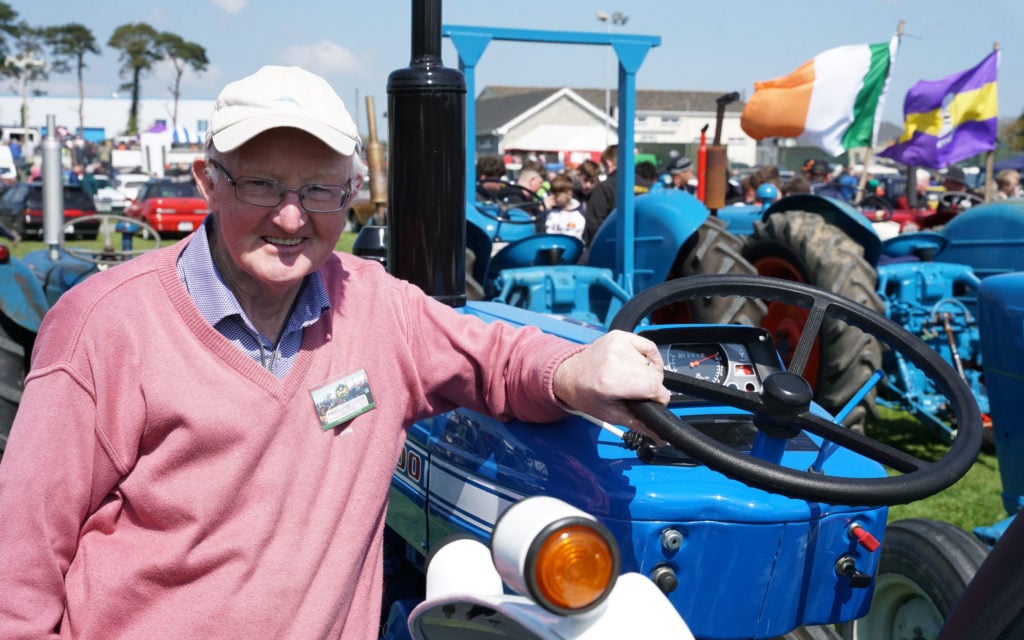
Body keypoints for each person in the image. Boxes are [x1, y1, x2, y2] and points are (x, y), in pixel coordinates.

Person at [0, 65, 670, 639]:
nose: (291, 217)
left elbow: (496, 357)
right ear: (209, 180)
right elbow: (19, 565)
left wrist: (574, 370)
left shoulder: (378, 306)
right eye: (261, 185)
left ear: (350, 193)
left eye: (320, 190)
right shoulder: (105, 326)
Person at [583, 143, 618, 248]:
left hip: (611, 247)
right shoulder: (647, 186)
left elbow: (594, 225)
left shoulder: (605, 187)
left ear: (608, 163)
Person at [542, 172, 585, 241]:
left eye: (557, 195)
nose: (553, 197)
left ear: (569, 194)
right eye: (552, 193)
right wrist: (542, 211)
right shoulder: (549, 212)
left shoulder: (581, 214)